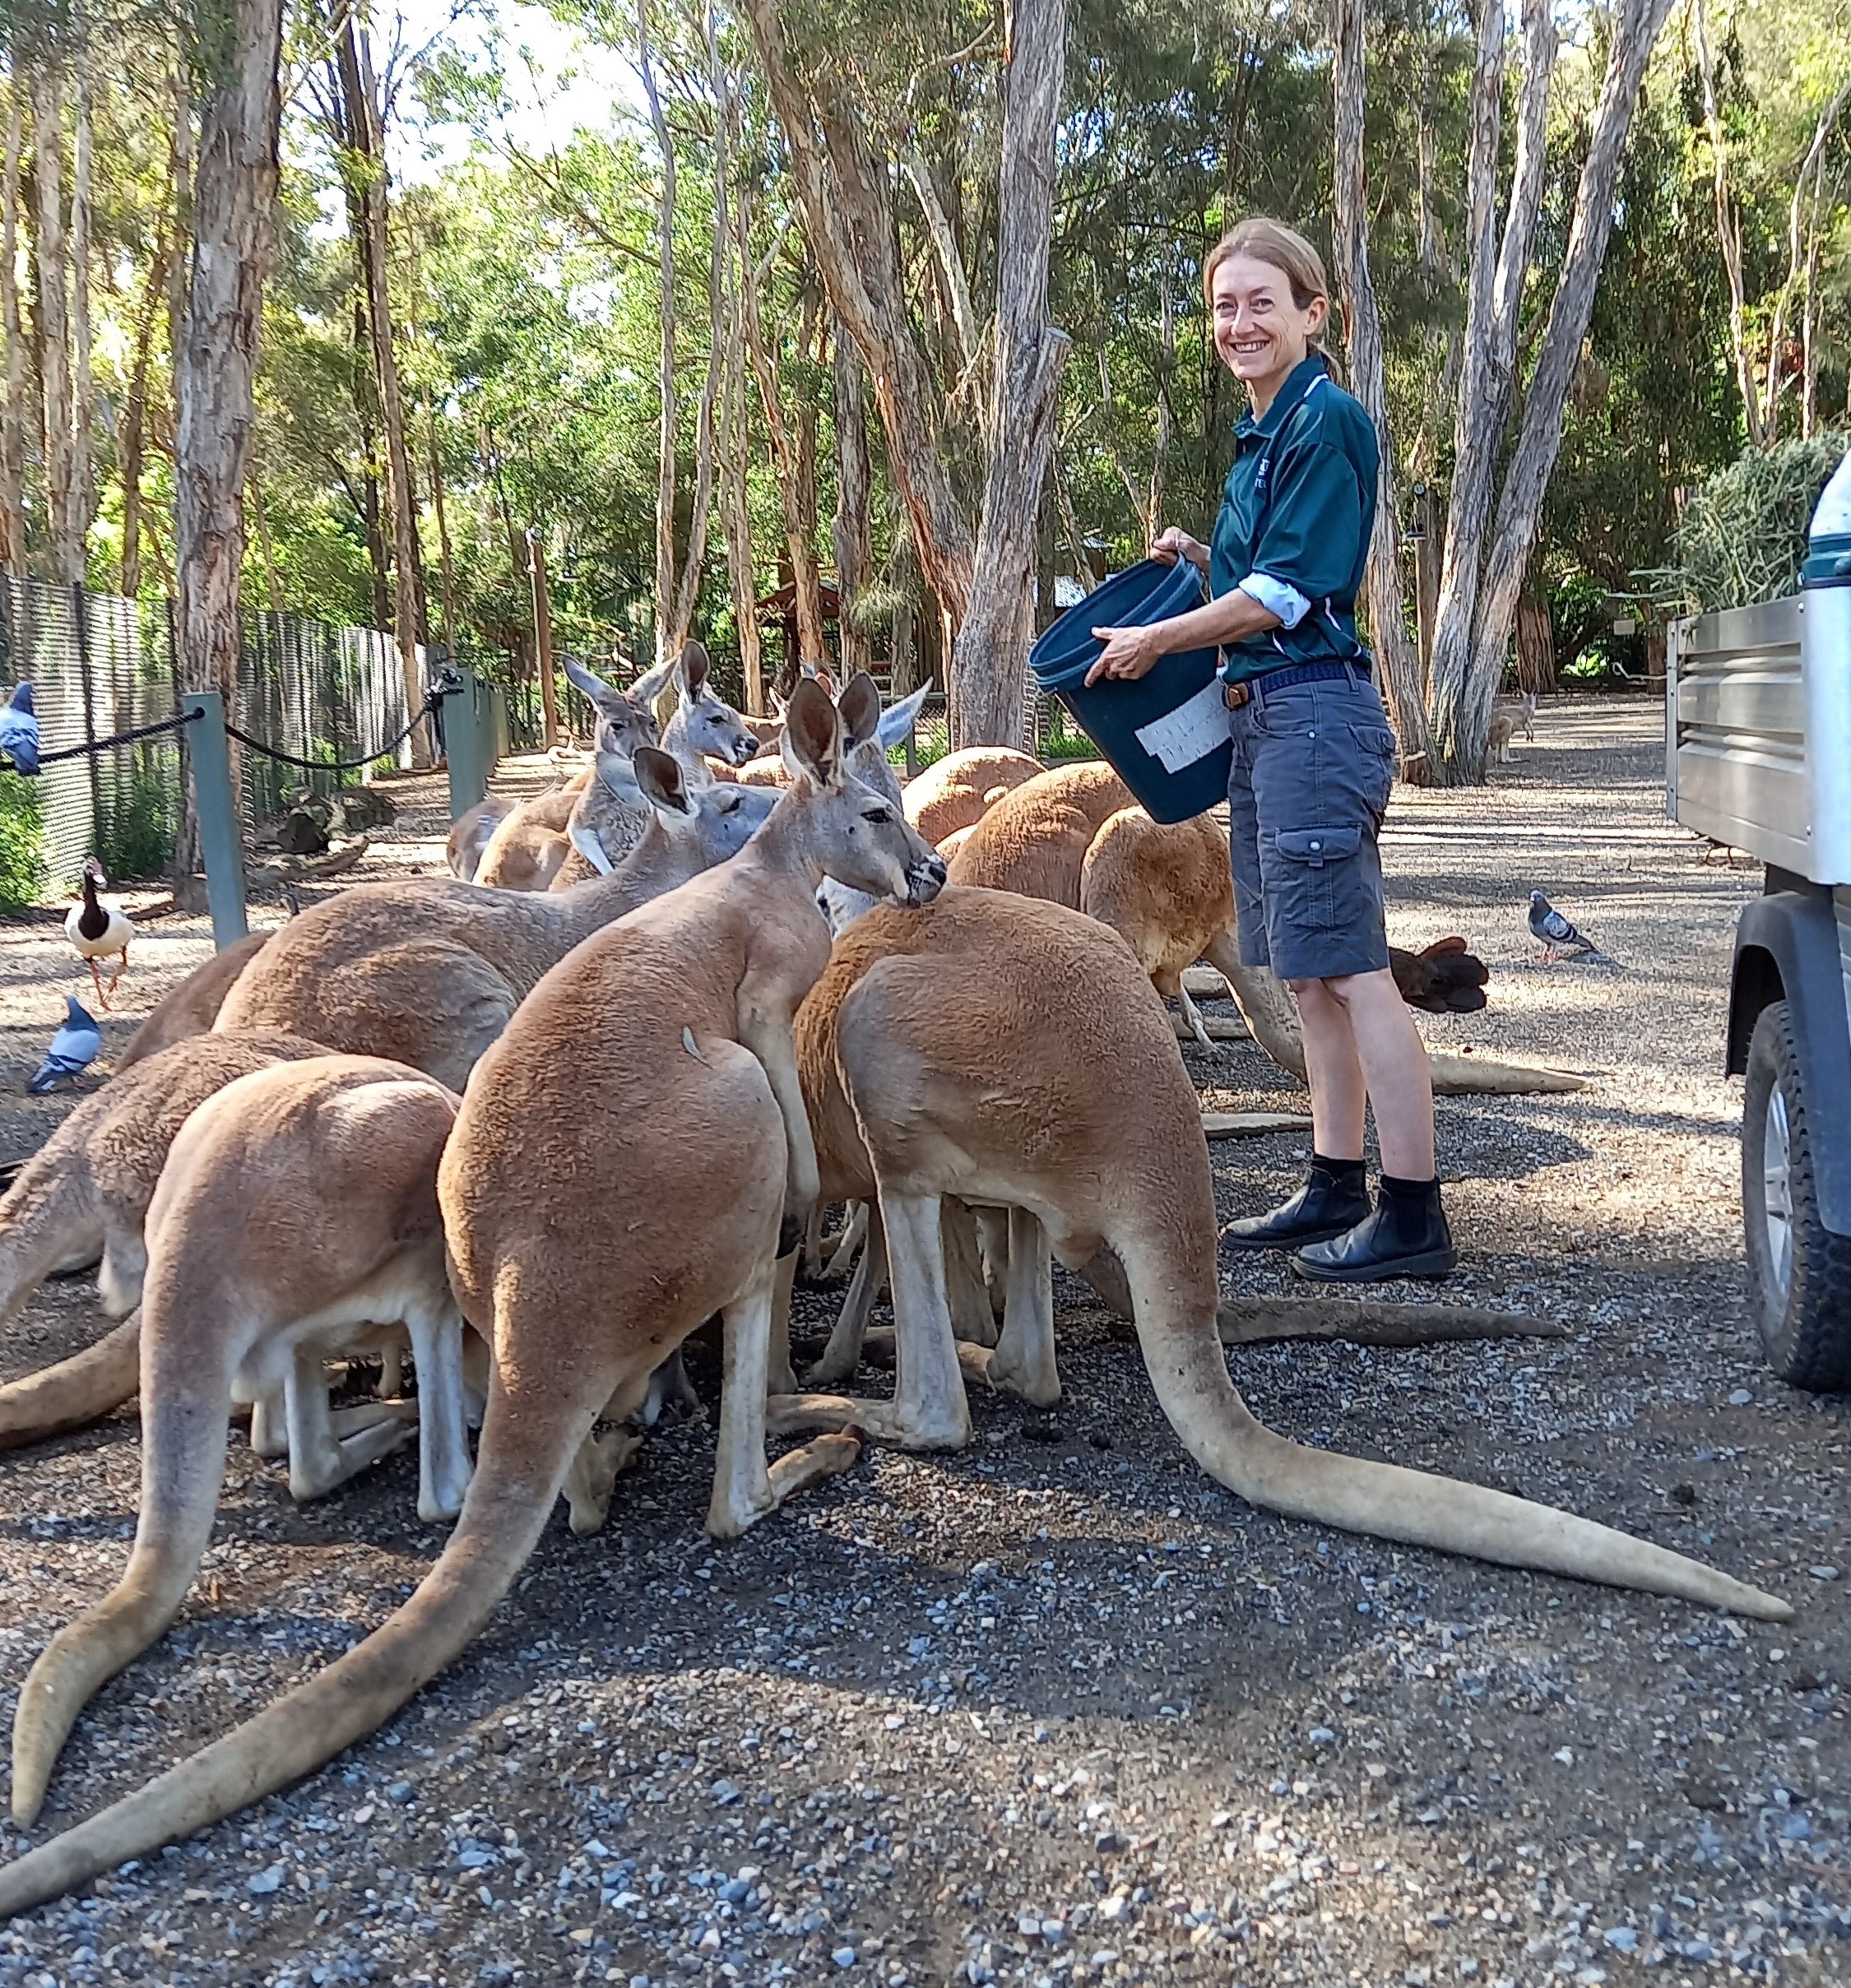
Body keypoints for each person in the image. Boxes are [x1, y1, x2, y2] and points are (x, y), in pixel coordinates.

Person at [1083, 217, 1453, 1281]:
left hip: (1313, 719)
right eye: (1223, 305)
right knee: (1305, 981)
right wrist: (1197, 560)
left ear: (1309, 313)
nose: (1238, 322)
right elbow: (1261, 576)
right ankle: (1333, 1182)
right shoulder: (1261, 436)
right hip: (1261, 722)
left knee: (1354, 974)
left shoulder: (1323, 421)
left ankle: (1413, 1210)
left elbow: (1291, 595)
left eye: (1260, 301)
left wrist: (1161, 634)